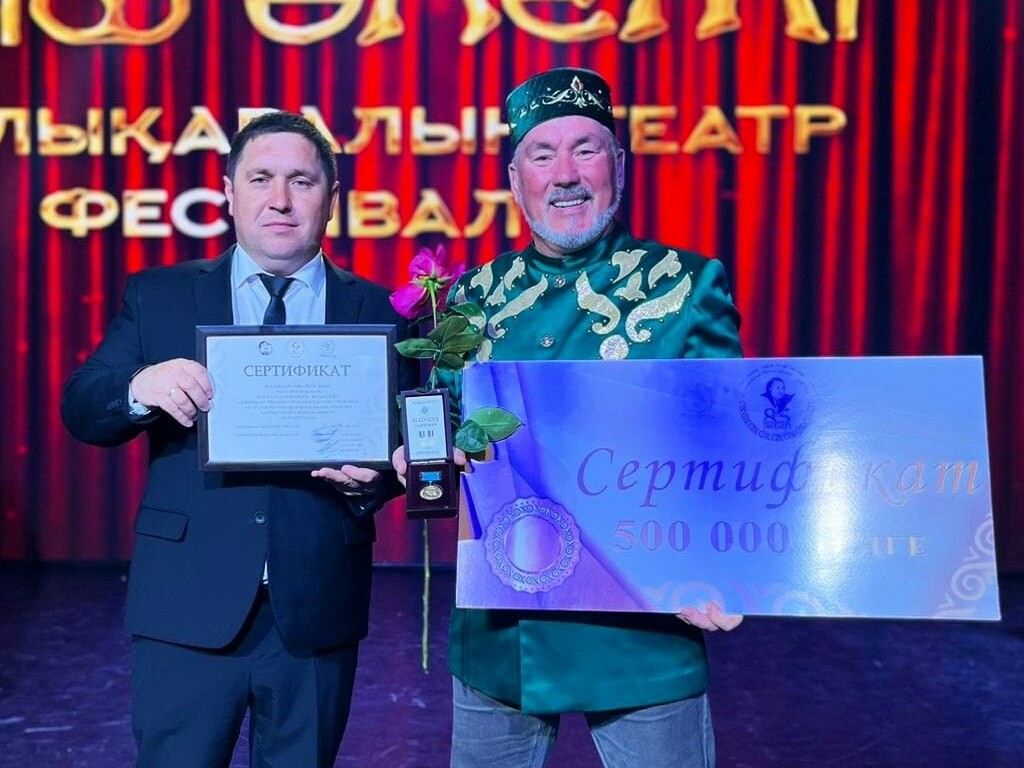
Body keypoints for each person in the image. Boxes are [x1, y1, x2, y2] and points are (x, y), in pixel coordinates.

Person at [393, 68, 744, 768]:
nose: (565, 175)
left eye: (586, 150)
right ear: (515, 179)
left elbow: (729, 445)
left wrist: (727, 565)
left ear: (619, 166)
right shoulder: (474, 294)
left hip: (643, 629)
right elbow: (446, 416)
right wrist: (419, 451)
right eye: (542, 155)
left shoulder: (684, 284)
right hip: (502, 636)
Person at [62, 111, 416, 768]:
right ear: (229, 192)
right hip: (185, 603)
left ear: (332, 197)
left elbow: (409, 442)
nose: (280, 199)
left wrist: (384, 477)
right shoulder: (161, 295)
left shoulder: (379, 311)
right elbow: (84, 407)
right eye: (260, 178)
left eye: (301, 181)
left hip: (316, 607)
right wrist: (141, 386)